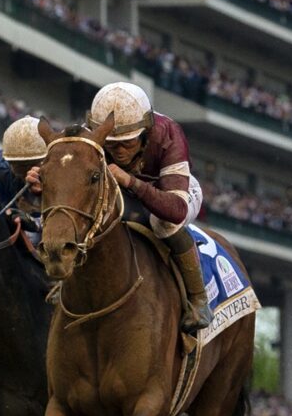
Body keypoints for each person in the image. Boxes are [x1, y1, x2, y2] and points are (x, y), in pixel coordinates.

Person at [85, 81, 213, 333]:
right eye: (111, 143)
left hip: (172, 191)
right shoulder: (91, 133)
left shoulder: (168, 134)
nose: (119, 151)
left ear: (145, 132)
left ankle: (198, 299)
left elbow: (176, 209)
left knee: (162, 223)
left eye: (127, 143)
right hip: (123, 190)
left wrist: (131, 182)